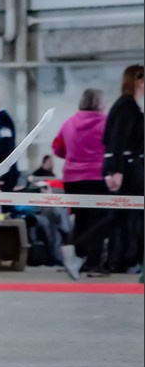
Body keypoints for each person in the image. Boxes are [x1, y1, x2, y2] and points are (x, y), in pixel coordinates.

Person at [53, 88, 109, 280]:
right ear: (99, 103)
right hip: (97, 177)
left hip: (72, 179)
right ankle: (94, 263)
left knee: (80, 219)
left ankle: (76, 259)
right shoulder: (106, 123)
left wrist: (73, 157)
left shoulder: (69, 123)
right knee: (98, 220)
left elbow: (57, 148)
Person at [102, 64, 144, 274]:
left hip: (128, 165)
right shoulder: (127, 106)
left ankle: (122, 259)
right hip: (127, 167)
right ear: (138, 81)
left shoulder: (128, 105)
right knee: (127, 216)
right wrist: (117, 171)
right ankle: (123, 259)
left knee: (122, 216)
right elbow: (116, 140)